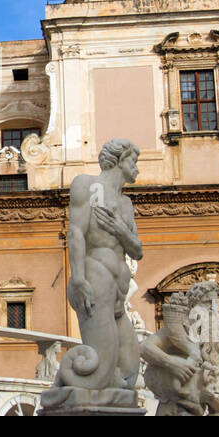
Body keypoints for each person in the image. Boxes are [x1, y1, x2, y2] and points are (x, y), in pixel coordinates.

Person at [44, 139, 143, 404]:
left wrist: (120, 230)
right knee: (98, 371)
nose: (137, 169)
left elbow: (138, 251)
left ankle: (69, 393)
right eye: (133, 162)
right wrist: (77, 278)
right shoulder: (86, 185)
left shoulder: (125, 204)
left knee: (128, 372)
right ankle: (63, 395)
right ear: (120, 160)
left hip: (120, 290)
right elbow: (76, 231)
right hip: (95, 278)